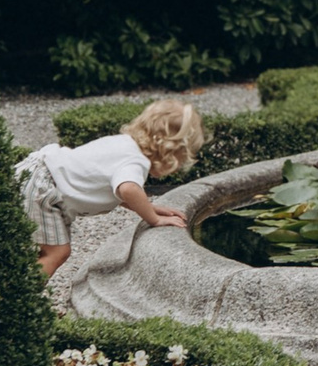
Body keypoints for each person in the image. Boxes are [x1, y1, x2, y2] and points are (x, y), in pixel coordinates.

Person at [14, 99, 203, 278]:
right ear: (169, 153)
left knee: (33, 247)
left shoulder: (124, 143)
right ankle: (20, 301)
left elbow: (108, 186)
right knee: (57, 252)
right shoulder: (136, 162)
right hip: (44, 188)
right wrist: (154, 219)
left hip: (36, 171)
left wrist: (149, 207)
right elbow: (128, 189)